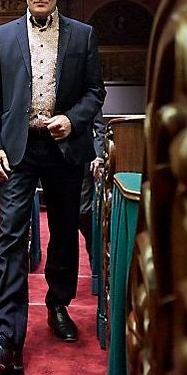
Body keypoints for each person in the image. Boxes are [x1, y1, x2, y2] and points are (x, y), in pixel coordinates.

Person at [0, 0, 105, 375]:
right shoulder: (2, 36)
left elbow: (95, 91)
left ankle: (58, 305)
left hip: (65, 148)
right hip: (18, 148)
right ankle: (5, 338)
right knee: (10, 235)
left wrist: (74, 118)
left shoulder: (83, 36)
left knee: (64, 234)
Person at [79, 112, 106, 267]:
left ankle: (94, 262)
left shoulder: (86, 89)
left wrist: (98, 155)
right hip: (55, 160)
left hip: (83, 160)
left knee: (83, 212)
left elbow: (100, 128)